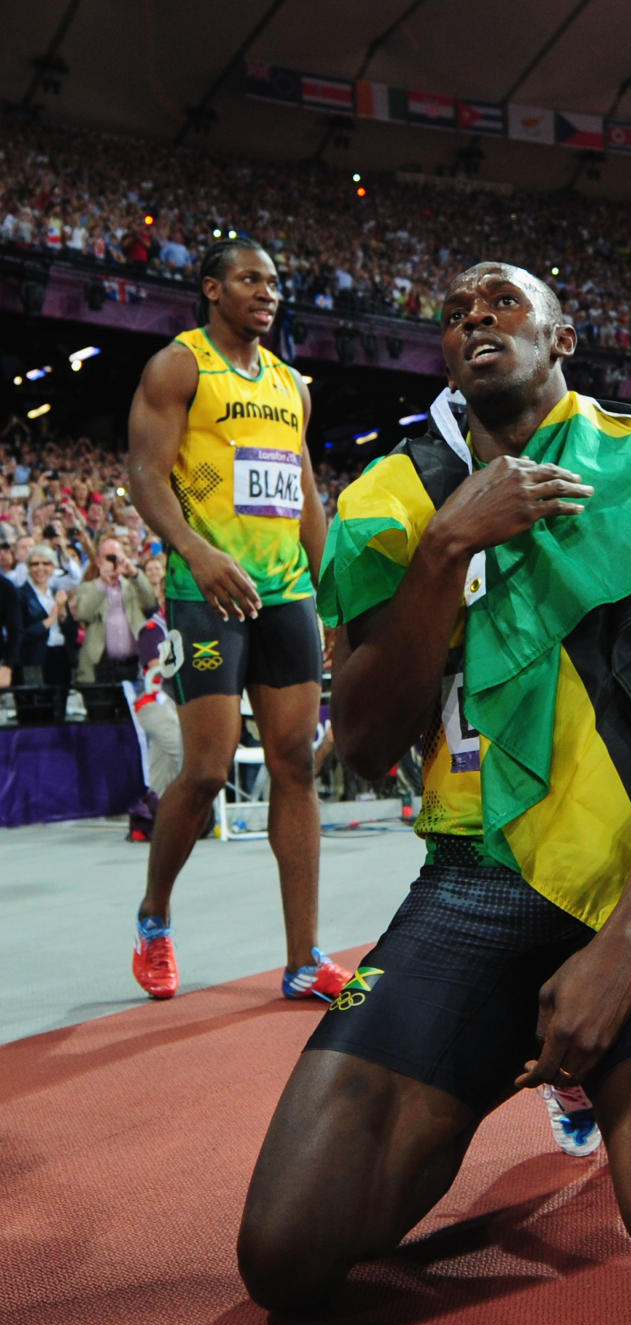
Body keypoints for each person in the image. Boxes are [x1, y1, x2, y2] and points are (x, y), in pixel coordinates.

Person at [238, 262, 631, 1325]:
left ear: (563, 335)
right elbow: (362, 748)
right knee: (286, 1256)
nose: (474, 319)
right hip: (465, 891)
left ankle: (605, 1057)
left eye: (502, 302)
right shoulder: (392, 501)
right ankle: (497, 1048)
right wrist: (450, 546)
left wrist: (626, 946)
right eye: (456, 312)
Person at [126, 235, 350, 1005]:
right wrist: (194, 549)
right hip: (207, 587)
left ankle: (303, 958)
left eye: (276, 282)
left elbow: (306, 493)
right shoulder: (180, 365)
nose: (269, 291)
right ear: (212, 288)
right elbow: (144, 473)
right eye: (252, 279)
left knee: (295, 764)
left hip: (285, 592)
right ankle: (155, 919)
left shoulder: (293, 384)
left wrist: (333, 593)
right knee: (209, 769)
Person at [71, 536, 157, 683]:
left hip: (134, 663)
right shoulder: (88, 588)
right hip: (100, 665)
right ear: (98, 561)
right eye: (108, 558)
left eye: (116, 557)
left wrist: (134, 573)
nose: (113, 562)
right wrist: (103, 584)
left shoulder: (133, 585)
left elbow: (151, 604)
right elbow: (83, 614)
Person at [18, 544, 77, 686]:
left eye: (46, 563)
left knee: (60, 704)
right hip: (34, 660)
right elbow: (19, 635)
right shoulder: (20, 595)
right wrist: (50, 620)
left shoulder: (58, 593)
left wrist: (62, 611)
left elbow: (72, 633)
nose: (40, 568)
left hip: (61, 656)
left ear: (53, 567)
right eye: (35, 564)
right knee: (37, 705)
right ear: (28, 568)